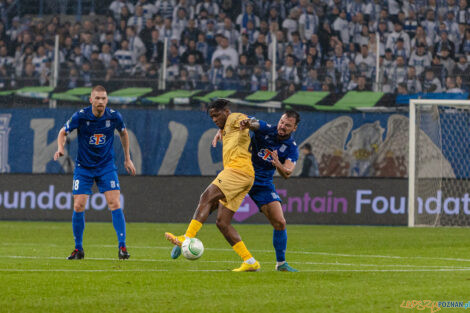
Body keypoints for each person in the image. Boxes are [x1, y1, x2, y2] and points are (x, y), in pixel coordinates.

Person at [164, 99, 260, 272]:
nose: (214, 119)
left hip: (237, 171)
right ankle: (250, 261)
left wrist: (249, 123)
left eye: (217, 115)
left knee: (206, 197)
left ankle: (187, 237)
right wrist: (220, 131)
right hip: (245, 176)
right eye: (212, 117)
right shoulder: (225, 127)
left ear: (226, 111)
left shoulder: (235, 118)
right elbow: (228, 129)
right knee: (222, 223)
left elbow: (251, 122)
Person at [53, 85, 136, 260]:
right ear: (91, 100)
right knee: (78, 205)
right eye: (97, 98)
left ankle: (122, 247)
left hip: (106, 166)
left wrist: (127, 159)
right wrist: (60, 148)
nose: (100, 102)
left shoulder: (114, 116)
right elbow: (62, 132)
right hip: (84, 167)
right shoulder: (81, 116)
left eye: (103, 98)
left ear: (107, 100)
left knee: (114, 203)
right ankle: (78, 249)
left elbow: (124, 133)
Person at [232, 110, 301, 272]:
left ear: (294, 128)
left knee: (280, 222)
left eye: (287, 125)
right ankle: (188, 237)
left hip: (262, 184)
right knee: (214, 207)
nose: (282, 126)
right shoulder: (267, 129)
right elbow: (254, 123)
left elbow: (287, 173)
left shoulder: (291, 148)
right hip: (241, 175)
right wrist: (247, 123)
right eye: (282, 122)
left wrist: (278, 164)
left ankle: (281, 264)